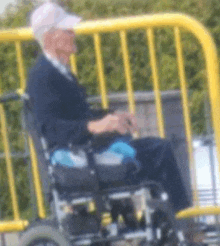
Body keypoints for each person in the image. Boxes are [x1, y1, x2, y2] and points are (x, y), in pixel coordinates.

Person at [26, 2, 199, 241]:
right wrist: (94, 126)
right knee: (159, 151)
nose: (73, 34)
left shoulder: (58, 71)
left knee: (158, 148)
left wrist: (114, 116)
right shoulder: (42, 77)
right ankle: (183, 226)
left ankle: (170, 222)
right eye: (67, 31)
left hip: (87, 152)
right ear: (51, 37)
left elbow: (79, 114)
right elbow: (49, 128)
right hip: (77, 159)